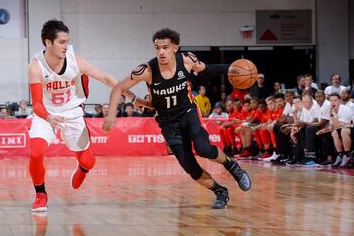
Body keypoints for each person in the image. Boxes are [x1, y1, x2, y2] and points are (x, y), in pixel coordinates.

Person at [103, 28, 251, 209]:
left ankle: (232, 167)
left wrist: (232, 69)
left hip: (188, 113)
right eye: (157, 48)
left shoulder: (187, 60)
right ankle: (220, 191)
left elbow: (207, 70)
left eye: (165, 47)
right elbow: (119, 87)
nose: (161, 52)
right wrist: (111, 113)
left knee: (204, 148)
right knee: (190, 168)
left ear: (175, 48)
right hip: (168, 122)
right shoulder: (147, 70)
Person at [28, 19, 147, 212]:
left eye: (67, 41)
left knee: (88, 162)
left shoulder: (76, 60)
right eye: (61, 42)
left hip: (73, 112)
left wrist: (133, 98)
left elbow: (106, 78)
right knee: (35, 153)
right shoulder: (36, 66)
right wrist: (48, 117)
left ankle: (82, 169)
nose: (66, 46)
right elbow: (37, 104)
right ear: (48, 43)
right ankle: (41, 194)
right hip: (46, 113)